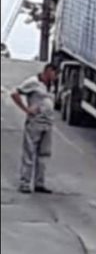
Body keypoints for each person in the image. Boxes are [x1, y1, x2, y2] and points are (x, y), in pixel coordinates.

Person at [11, 63, 58, 194]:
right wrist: (26, 109)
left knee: (44, 154)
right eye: (54, 73)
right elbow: (15, 93)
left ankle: (39, 183)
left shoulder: (51, 86)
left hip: (47, 123)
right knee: (29, 153)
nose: (56, 77)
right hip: (35, 123)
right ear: (48, 71)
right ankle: (25, 183)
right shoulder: (33, 82)